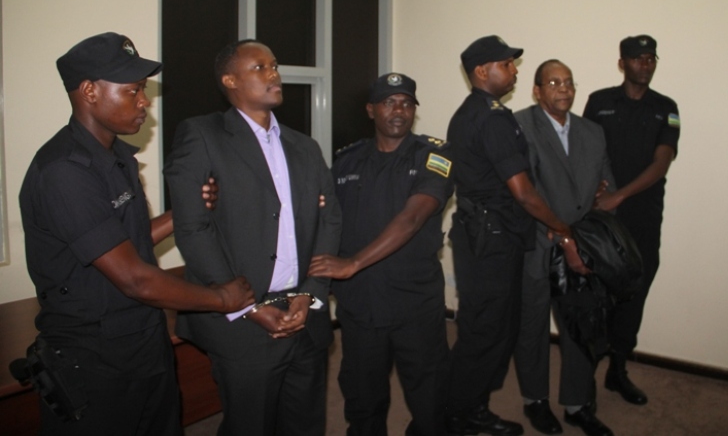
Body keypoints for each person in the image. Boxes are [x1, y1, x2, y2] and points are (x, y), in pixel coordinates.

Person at [18, 32, 255, 436]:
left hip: (141, 342)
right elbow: (134, 278)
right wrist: (221, 298)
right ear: (90, 91)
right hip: (95, 358)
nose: (144, 101)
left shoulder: (117, 157)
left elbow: (126, 239)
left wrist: (182, 213)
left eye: (142, 90)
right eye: (132, 91)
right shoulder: (64, 171)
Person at [163, 39, 342, 436]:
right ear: (230, 80)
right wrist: (247, 307)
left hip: (302, 312)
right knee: (250, 425)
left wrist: (310, 292)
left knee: (305, 424)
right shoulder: (203, 134)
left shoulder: (305, 147)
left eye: (274, 65)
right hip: (243, 322)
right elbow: (193, 228)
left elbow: (330, 220)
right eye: (260, 68)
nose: (273, 73)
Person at [444, 36, 588, 436]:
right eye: (506, 64)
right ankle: (458, 416)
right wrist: (562, 227)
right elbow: (523, 192)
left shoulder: (474, 112)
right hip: (492, 238)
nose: (514, 71)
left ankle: (469, 407)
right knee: (485, 333)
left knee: (489, 329)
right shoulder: (490, 117)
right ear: (481, 71)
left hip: (487, 235)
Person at [309, 73, 454, 436]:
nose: (399, 110)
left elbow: (413, 216)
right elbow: (327, 220)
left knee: (431, 399)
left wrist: (352, 263)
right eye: (389, 102)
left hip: (414, 303)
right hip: (361, 304)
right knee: (362, 398)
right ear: (371, 109)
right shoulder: (346, 161)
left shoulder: (435, 154)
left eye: (406, 103)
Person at [513, 60, 615, 436]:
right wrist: (562, 234)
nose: (564, 89)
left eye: (569, 82)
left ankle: (576, 404)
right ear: (537, 90)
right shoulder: (520, 125)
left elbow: (606, 182)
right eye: (553, 82)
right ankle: (534, 401)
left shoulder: (593, 131)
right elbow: (524, 191)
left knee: (579, 327)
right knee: (533, 326)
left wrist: (602, 200)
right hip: (537, 244)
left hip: (583, 244)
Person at [583, 35, 680, 406]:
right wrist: (594, 190)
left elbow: (661, 162)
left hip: (642, 217)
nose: (646, 64)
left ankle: (617, 371)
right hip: (600, 219)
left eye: (651, 57)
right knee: (595, 295)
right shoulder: (599, 101)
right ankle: (585, 374)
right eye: (637, 58)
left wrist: (619, 195)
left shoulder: (666, 107)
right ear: (622, 63)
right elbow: (586, 149)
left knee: (633, 295)